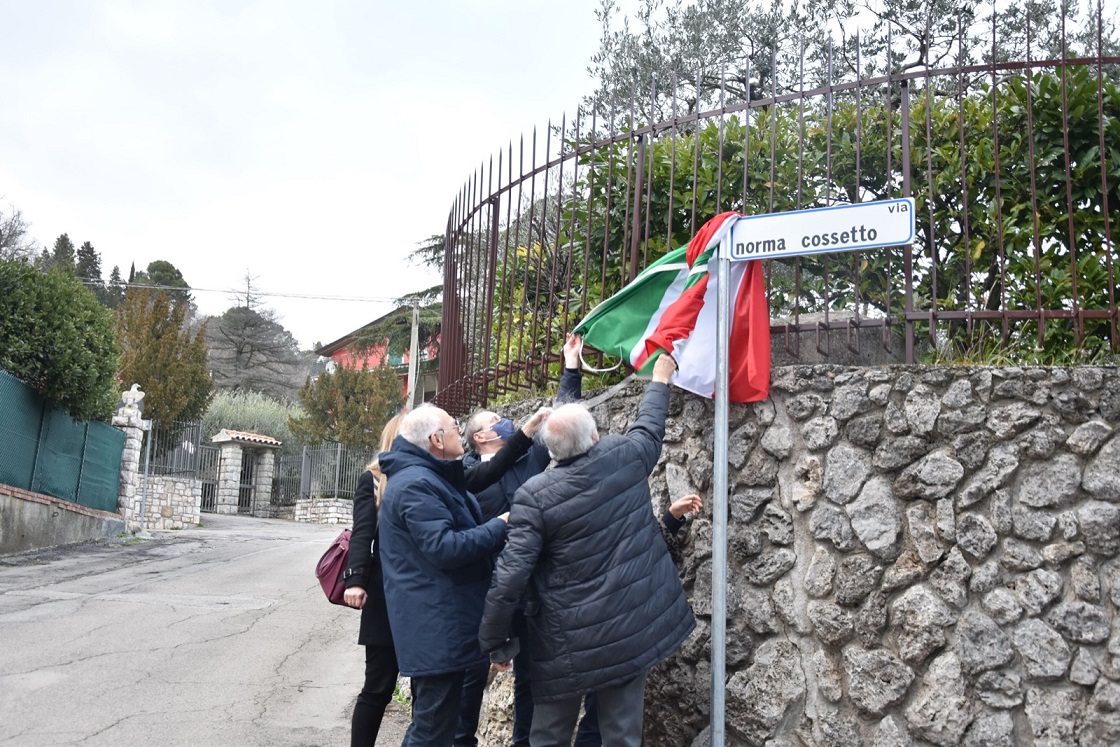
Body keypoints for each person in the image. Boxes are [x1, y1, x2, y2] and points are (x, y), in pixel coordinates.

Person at [479, 353, 695, 747]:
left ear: (551, 450)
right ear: (593, 437)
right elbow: (649, 429)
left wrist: (496, 641)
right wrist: (660, 379)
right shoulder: (623, 457)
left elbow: (510, 575)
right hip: (628, 630)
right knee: (622, 735)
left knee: (548, 735)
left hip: (563, 645)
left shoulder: (534, 496)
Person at [343, 410, 550, 746]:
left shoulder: (432, 476)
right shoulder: (416, 484)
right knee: (432, 730)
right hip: (436, 627)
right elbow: (445, 547)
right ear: (436, 440)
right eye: (454, 428)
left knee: (439, 726)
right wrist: (501, 525)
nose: (460, 433)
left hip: (444, 625)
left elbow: (486, 476)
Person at [454, 333, 585, 747]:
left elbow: (565, 421)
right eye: (496, 420)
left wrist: (571, 367)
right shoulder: (467, 478)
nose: (505, 423)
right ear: (479, 437)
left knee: (535, 679)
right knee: (473, 681)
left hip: (544, 584)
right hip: (498, 590)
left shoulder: (531, 455)